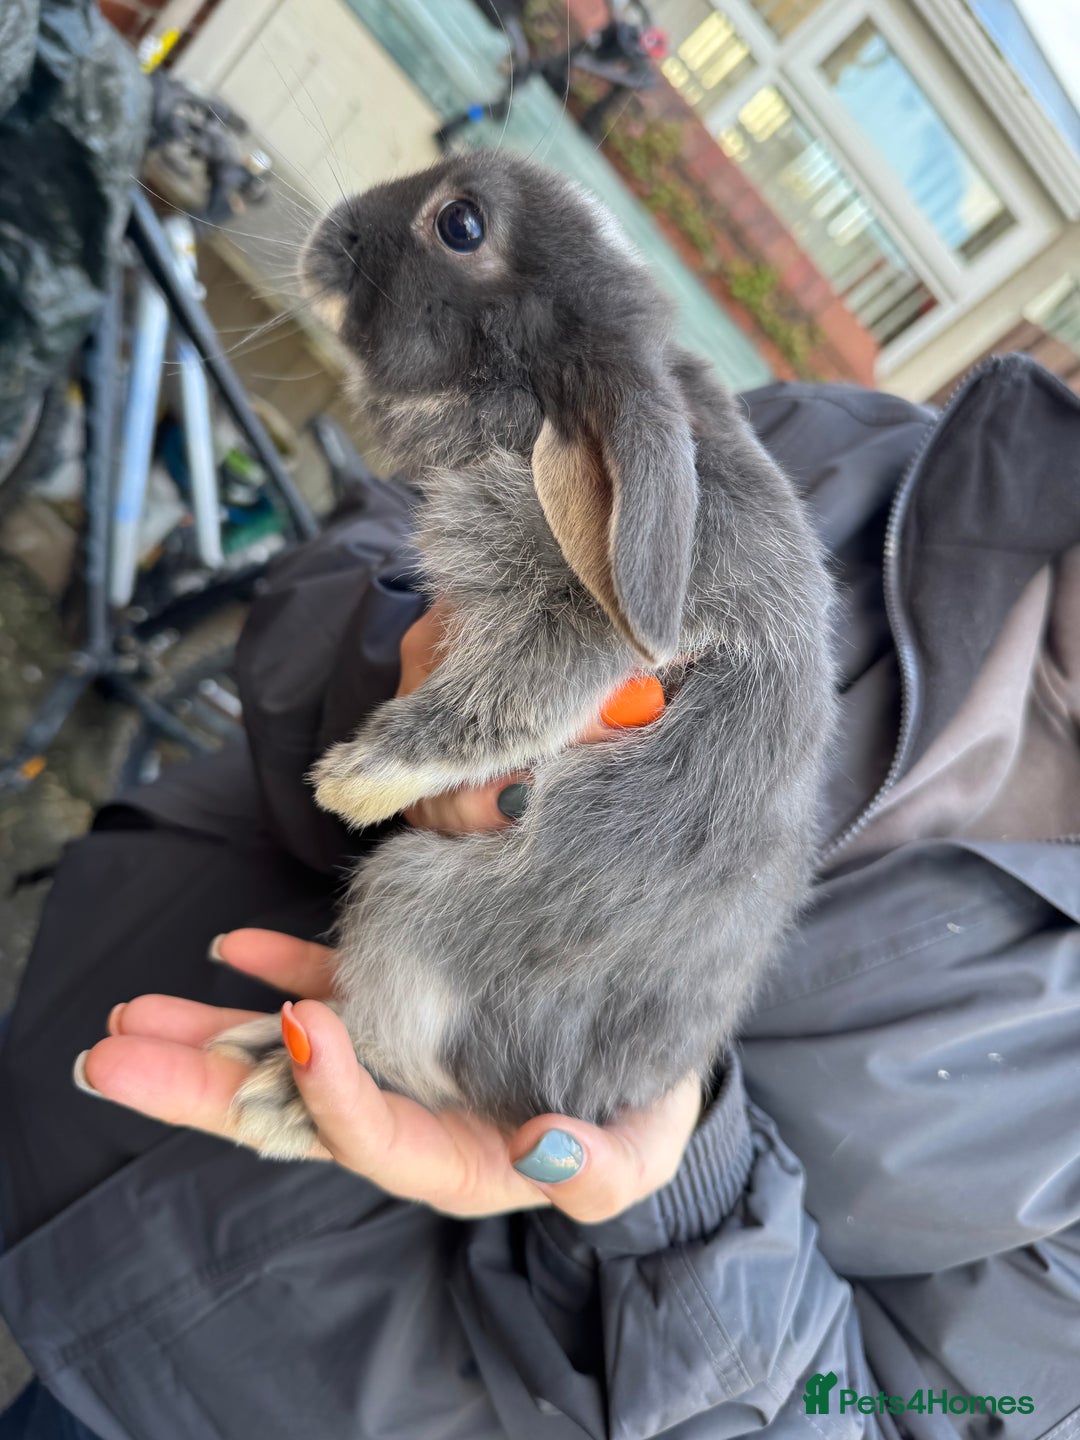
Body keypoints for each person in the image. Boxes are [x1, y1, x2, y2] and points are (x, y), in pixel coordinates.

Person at [1, 357, 1079, 1439]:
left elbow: (905, 1415)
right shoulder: (858, 454)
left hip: (310, 1396)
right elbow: (385, 528)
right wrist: (418, 674)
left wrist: (681, 1192)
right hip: (87, 1103)